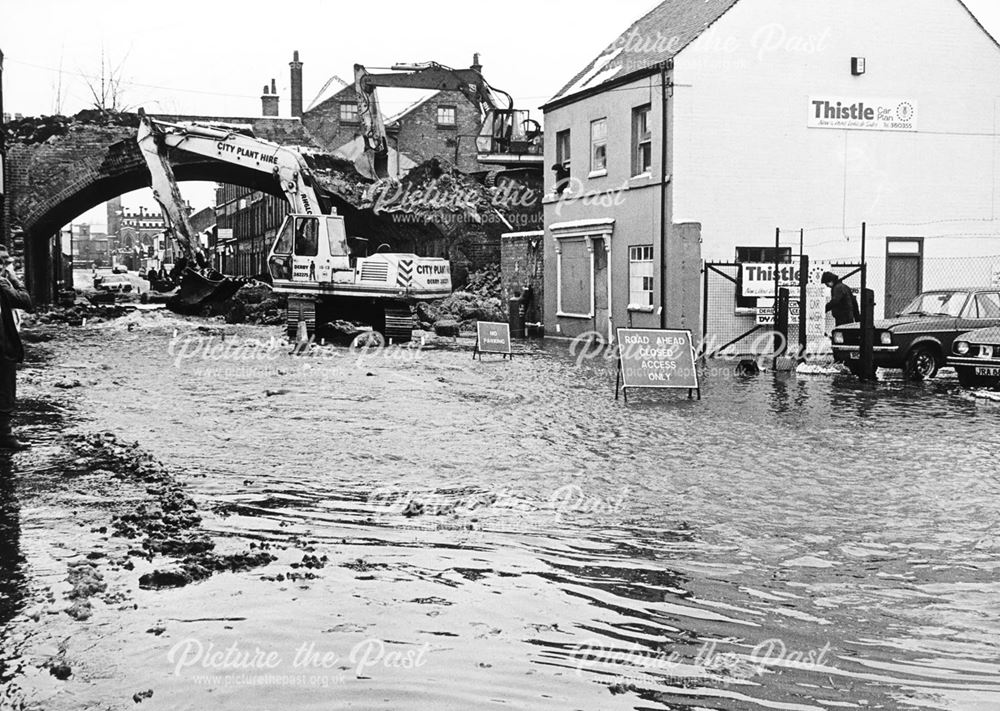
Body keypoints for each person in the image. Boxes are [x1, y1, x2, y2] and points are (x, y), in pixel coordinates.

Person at [0, 245, 33, 450]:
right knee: (5, 389)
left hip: (4, 341)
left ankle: (4, 433)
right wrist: (13, 279)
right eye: (4, 262)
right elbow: (26, 301)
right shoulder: (3, 283)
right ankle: (4, 435)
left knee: (5, 388)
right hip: (2, 344)